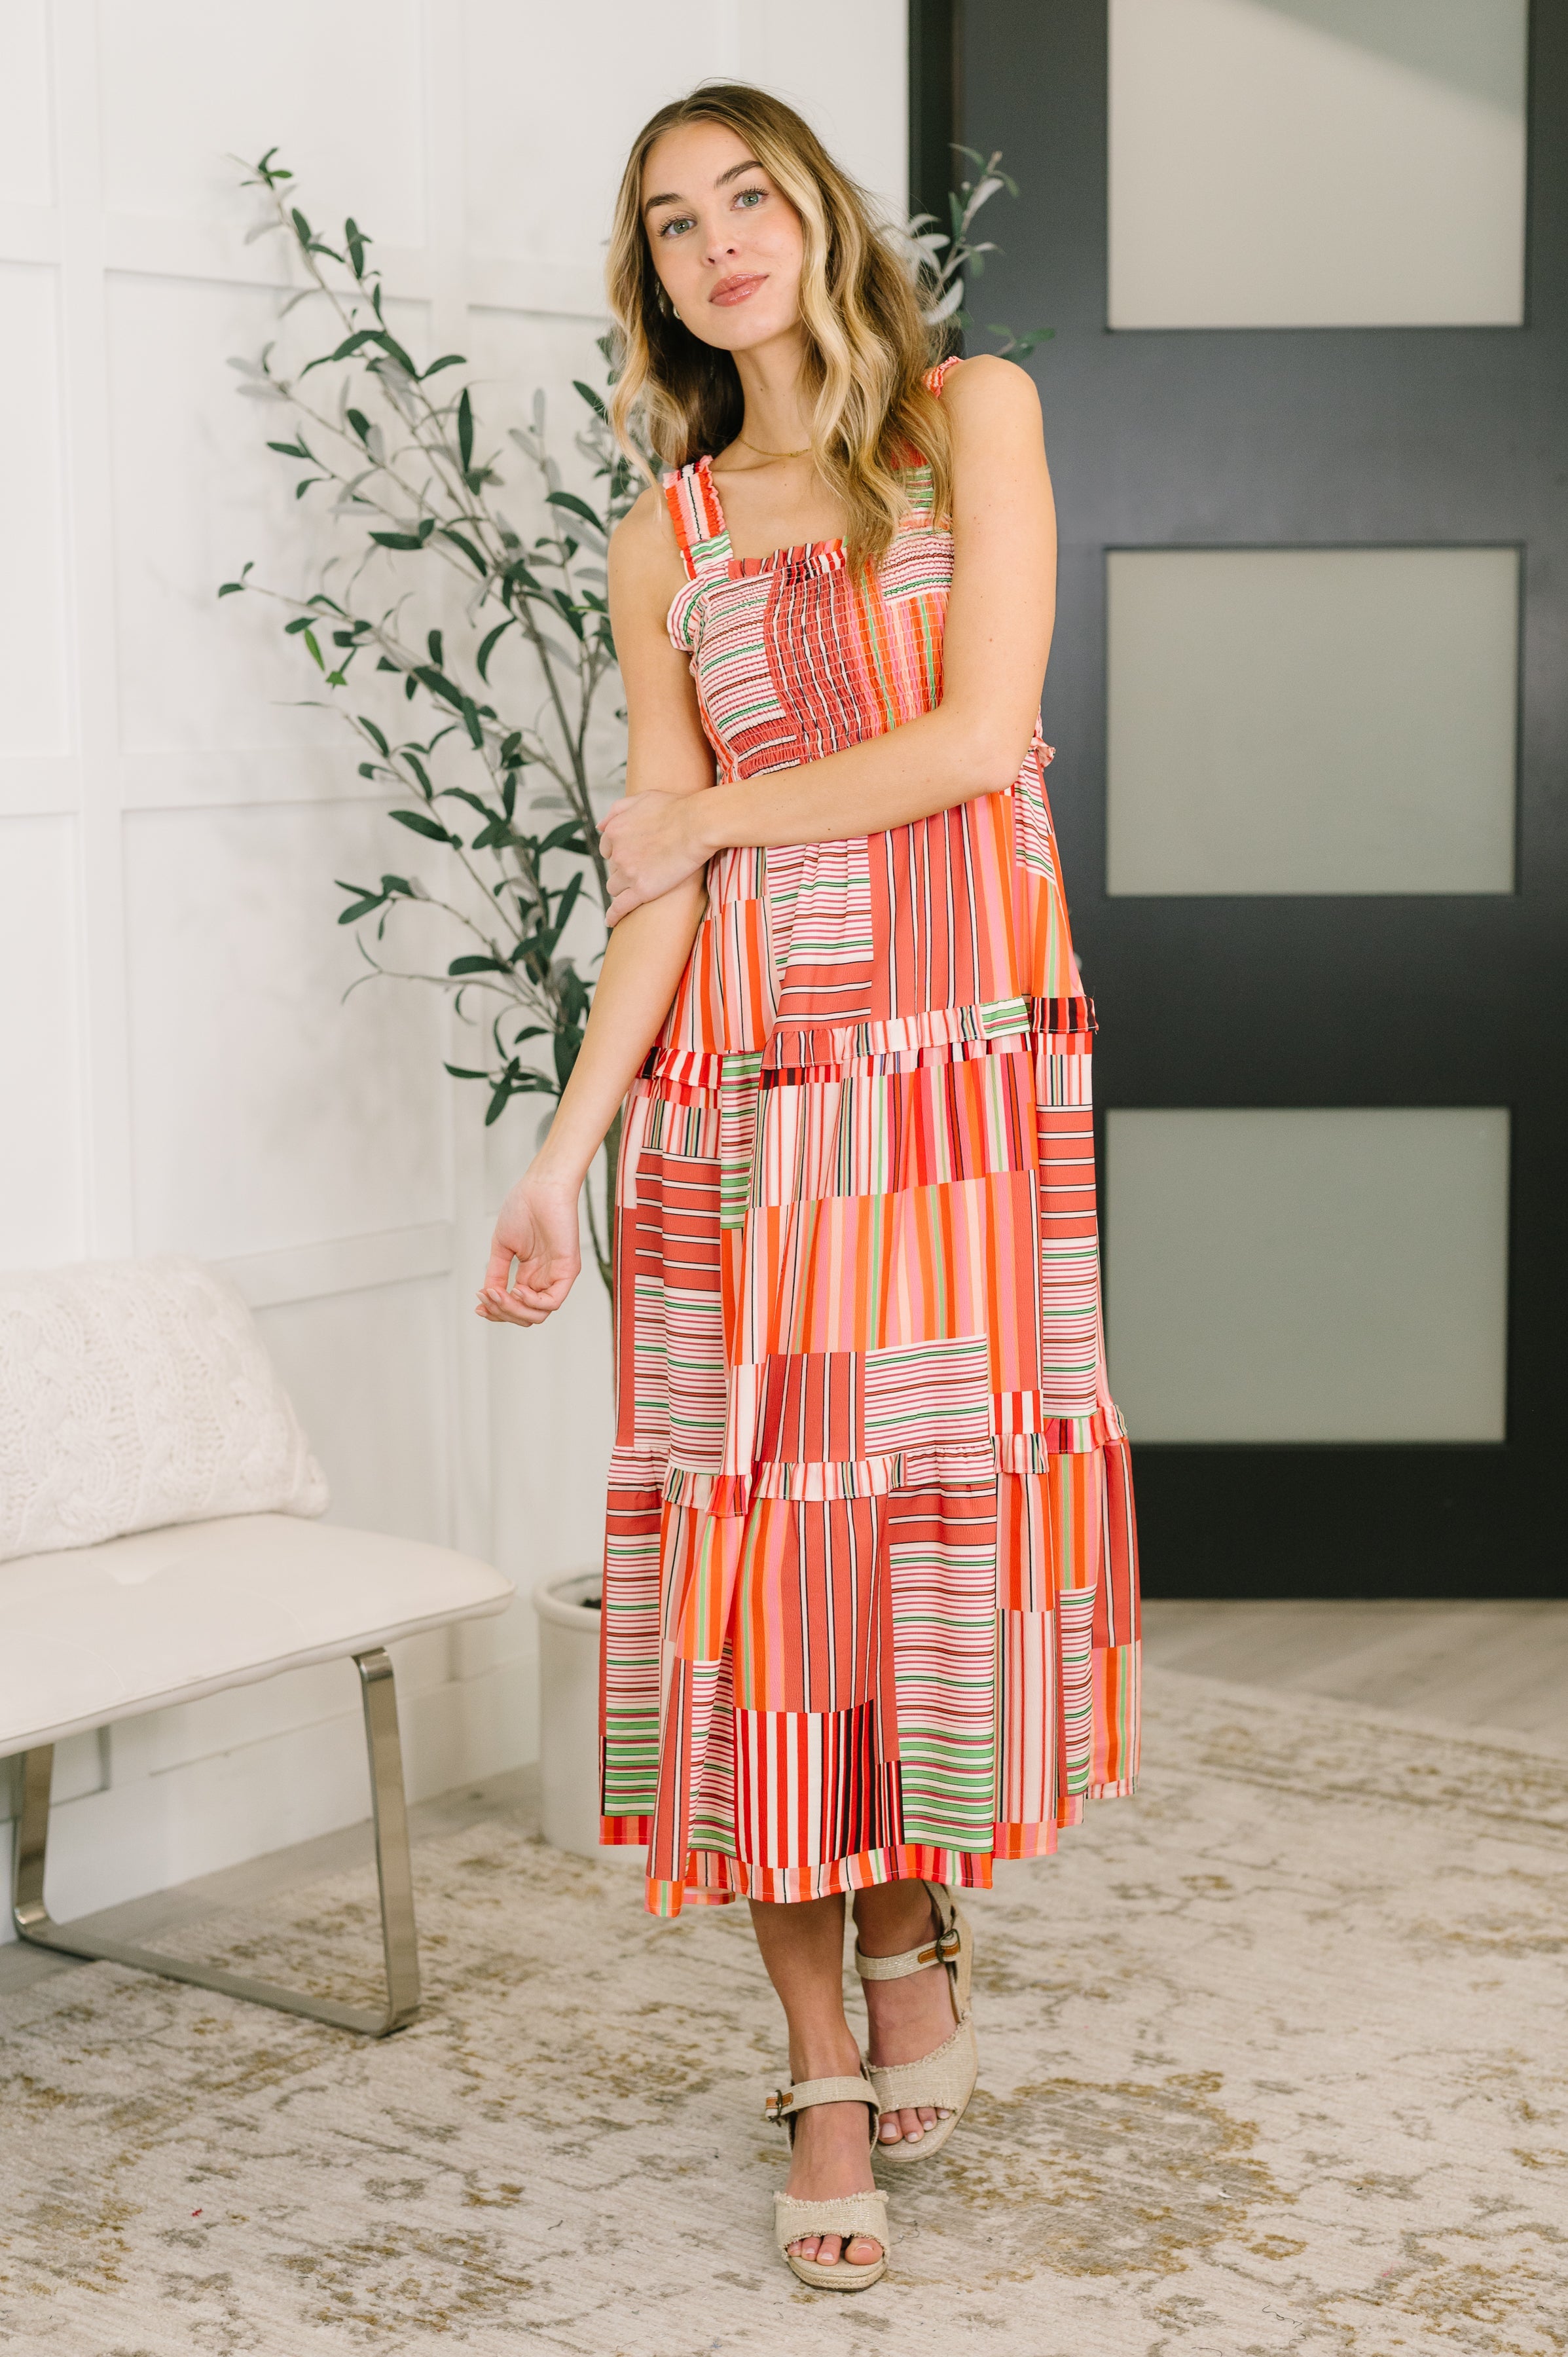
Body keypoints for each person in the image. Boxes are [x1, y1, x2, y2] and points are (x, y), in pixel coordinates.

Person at [476, 82, 1140, 2292]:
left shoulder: (970, 419)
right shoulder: (662, 532)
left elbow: (974, 741)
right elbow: (652, 885)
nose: (717, 243)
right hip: (743, 1102)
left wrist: (715, 817)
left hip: (953, 1088)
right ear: (653, 283)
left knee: (918, 1552)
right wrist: (558, 1158)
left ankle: (911, 1920)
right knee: (767, 1584)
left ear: (818, 214)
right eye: (672, 225)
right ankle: (817, 2061)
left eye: (745, 195)